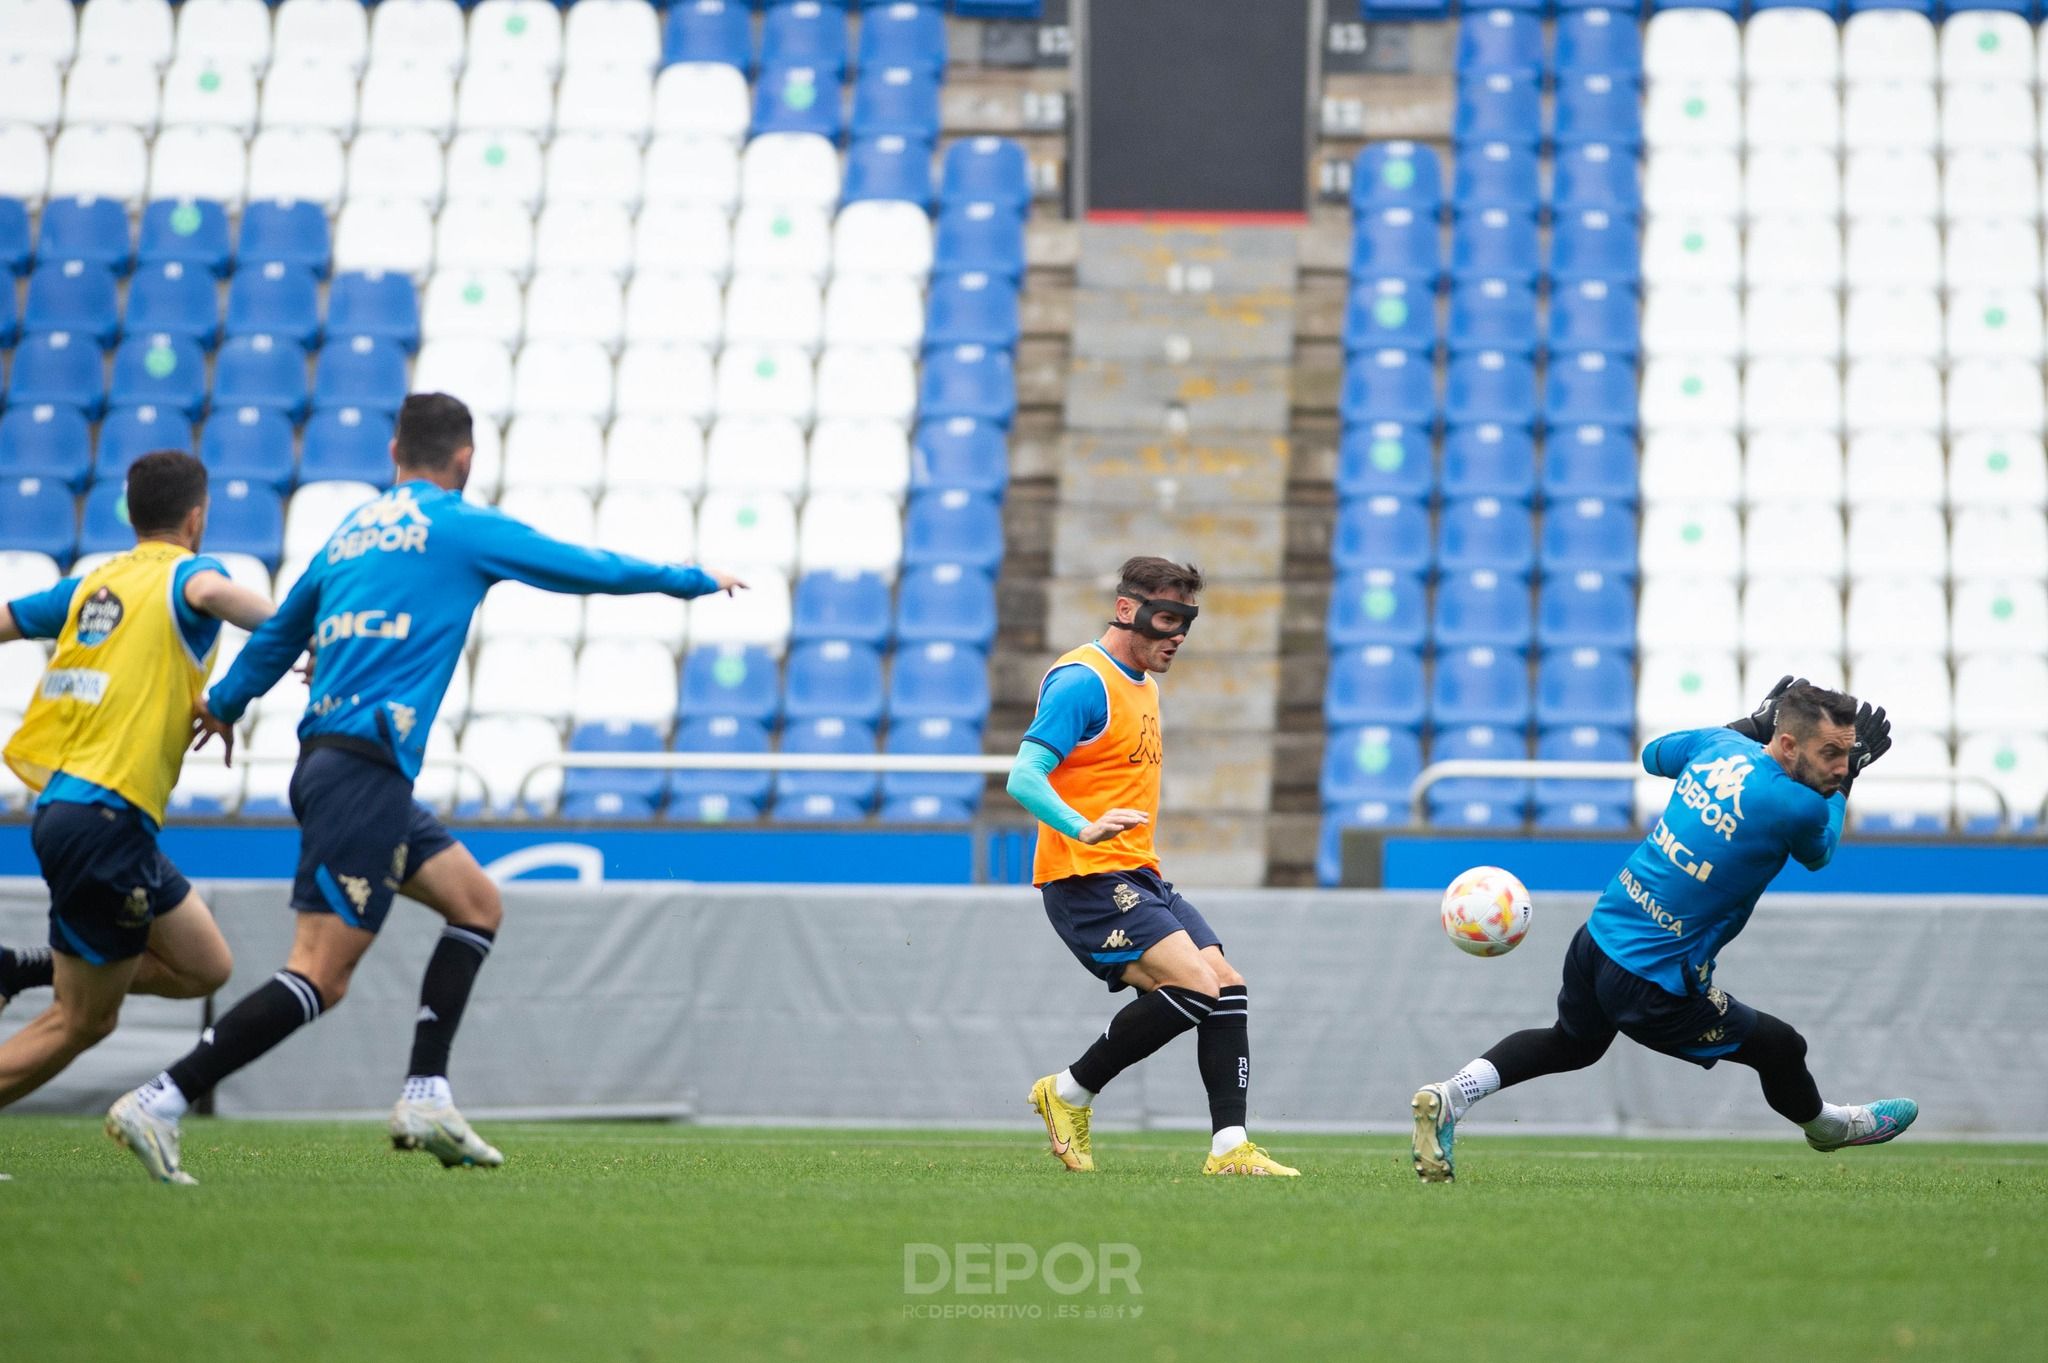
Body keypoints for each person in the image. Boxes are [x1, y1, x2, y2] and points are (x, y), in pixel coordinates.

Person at [105, 393, 745, 1184]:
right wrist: (689, 580)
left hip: (335, 766)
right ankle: (164, 1096)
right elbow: (586, 566)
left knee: (476, 902)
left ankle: (426, 1092)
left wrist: (228, 703)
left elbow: (281, 632)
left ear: (395, 454)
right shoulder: (458, 525)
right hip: (363, 772)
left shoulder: (350, 531)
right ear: (465, 460)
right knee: (319, 972)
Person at [1409, 679, 1916, 1183]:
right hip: (1653, 982)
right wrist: (1849, 784)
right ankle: (1828, 1128)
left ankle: (1452, 1095)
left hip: (1599, 937)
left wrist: (1750, 726)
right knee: (1782, 1047)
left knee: (1572, 1043)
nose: (1841, 766)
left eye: (1848, 756)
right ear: (1788, 744)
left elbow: (1654, 755)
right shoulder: (1798, 804)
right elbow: (1820, 852)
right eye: (1831, 753)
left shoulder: (1718, 746)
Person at [0, 452, 275, 1122]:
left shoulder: (94, 583)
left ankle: (21, 968)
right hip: (104, 817)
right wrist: (299, 635)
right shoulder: (191, 574)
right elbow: (213, 595)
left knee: (204, 965)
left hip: (83, 809)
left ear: (133, 513)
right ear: (196, 517)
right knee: (83, 1019)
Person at [1009, 556, 1296, 1177]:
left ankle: (1229, 1148)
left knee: (1227, 987)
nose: (1178, 636)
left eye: (1185, 623)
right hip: (1086, 875)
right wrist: (1080, 826)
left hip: (1137, 873)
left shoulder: (1145, 685)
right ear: (1125, 609)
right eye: (1167, 619)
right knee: (1194, 986)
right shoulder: (1083, 680)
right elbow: (1023, 775)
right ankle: (1068, 1092)